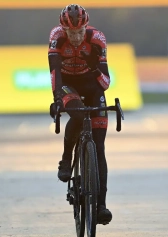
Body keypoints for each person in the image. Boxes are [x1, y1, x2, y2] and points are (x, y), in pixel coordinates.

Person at [48, 4, 112, 225]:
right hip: (68, 85)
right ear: (63, 30)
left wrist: (94, 66)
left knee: (100, 147)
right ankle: (66, 159)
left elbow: (105, 83)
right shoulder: (57, 37)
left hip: (91, 86)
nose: (75, 38)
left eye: (79, 32)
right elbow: (55, 71)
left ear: (86, 27)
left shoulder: (97, 38)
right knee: (76, 114)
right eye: (71, 33)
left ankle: (101, 206)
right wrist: (57, 99)